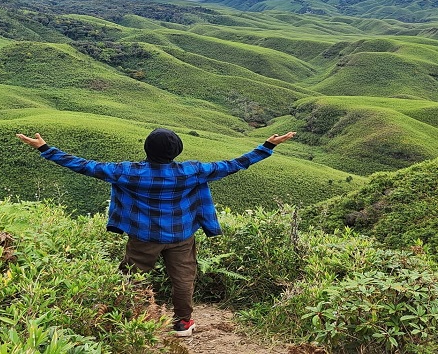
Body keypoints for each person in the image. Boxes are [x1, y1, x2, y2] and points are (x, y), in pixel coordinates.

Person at [15, 127, 296, 337]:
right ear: (177, 152)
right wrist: (268, 145)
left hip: (143, 236)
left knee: (132, 277)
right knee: (184, 279)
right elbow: (235, 164)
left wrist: (45, 148)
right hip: (180, 236)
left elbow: (85, 166)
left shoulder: (129, 171)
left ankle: (130, 316)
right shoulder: (192, 171)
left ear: (147, 149)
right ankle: (183, 322)